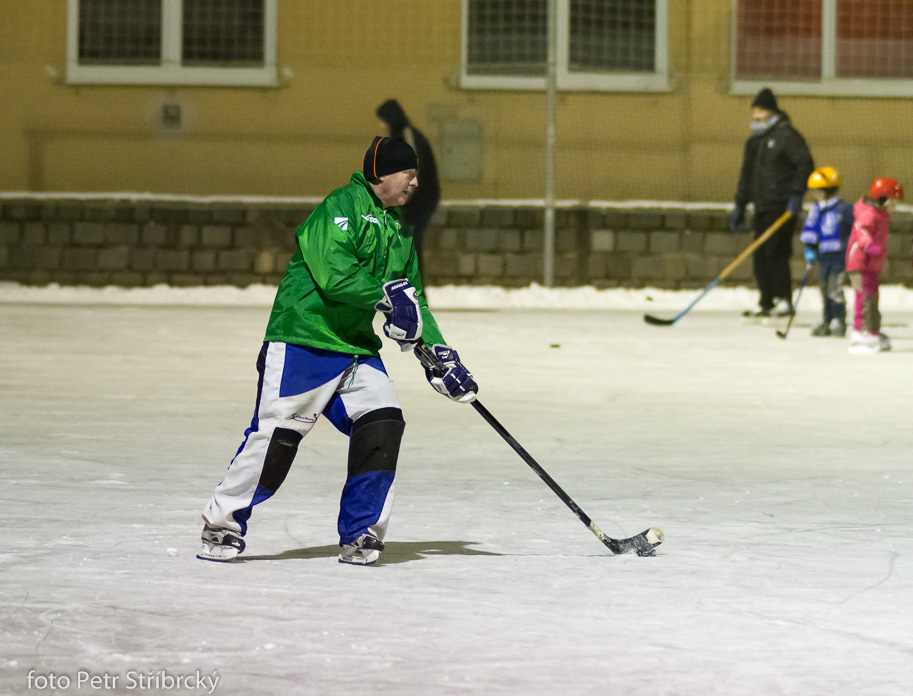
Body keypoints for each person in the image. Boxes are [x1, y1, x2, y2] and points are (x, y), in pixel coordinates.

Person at [197, 136, 477, 566]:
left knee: (383, 425)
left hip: (355, 349)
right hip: (303, 340)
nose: (416, 183)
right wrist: (386, 297)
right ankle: (223, 523)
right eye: (409, 173)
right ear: (382, 173)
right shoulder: (340, 207)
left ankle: (362, 531)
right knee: (277, 438)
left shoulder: (400, 228)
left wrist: (438, 353)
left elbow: (413, 298)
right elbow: (334, 276)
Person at [729, 87, 815, 319]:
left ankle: (783, 299)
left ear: (771, 111)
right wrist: (740, 205)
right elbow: (746, 174)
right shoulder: (755, 141)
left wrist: (796, 195)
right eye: (754, 111)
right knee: (760, 254)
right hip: (761, 206)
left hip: (782, 207)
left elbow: (805, 164)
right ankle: (766, 299)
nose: (755, 116)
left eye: (760, 111)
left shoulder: (787, 137)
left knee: (776, 252)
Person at [376, 99, 441, 276]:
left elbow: (412, 170)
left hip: (419, 201)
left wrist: (401, 199)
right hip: (417, 200)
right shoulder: (404, 135)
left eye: (383, 120)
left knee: (408, 245)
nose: (382, 125)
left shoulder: (407, 135)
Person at [846, 176, 904, 354]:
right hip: (861, 264)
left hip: (871, 265)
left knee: (872, 298)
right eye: (893, 203)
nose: (895, 207)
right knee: (864, 298)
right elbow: (861, 229)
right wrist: (868, 243)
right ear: (883, 199)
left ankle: (872, 330)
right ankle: (860, 332)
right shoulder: (870, 213)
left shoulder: (880, 214)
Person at [799, 166, 854, 337]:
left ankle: (838, 319)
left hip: (839, 257)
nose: (814, 195)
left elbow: (854, 230)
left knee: (834, 288)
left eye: (818, 191)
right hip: (824, 257)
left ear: (828, 190)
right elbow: (811, 232)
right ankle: (827, 319)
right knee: (823, 288)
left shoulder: (843, 209)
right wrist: (809, 249)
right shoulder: (816, 210)